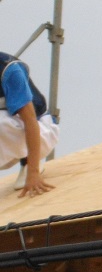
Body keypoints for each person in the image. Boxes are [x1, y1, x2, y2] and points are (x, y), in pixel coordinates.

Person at [0, 51, 58, 197]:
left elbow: (30, 120)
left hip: (41, 129)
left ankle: (30, 161)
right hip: (12, 134)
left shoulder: (8, 70)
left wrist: (33, 173)